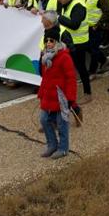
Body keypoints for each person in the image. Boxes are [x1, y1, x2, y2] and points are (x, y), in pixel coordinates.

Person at [37, 28, 77, 159]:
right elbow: (44, 76)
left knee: (62, 123)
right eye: (46, 40)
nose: (48, 43)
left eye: (51, 40)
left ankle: (63, 148)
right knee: (44, 120)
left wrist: (71, 98)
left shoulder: (64, 57)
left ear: (57, 42)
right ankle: (52, 145)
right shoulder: (44, 58)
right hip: (48, 95)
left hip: (61, 97)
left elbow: (71, 78)